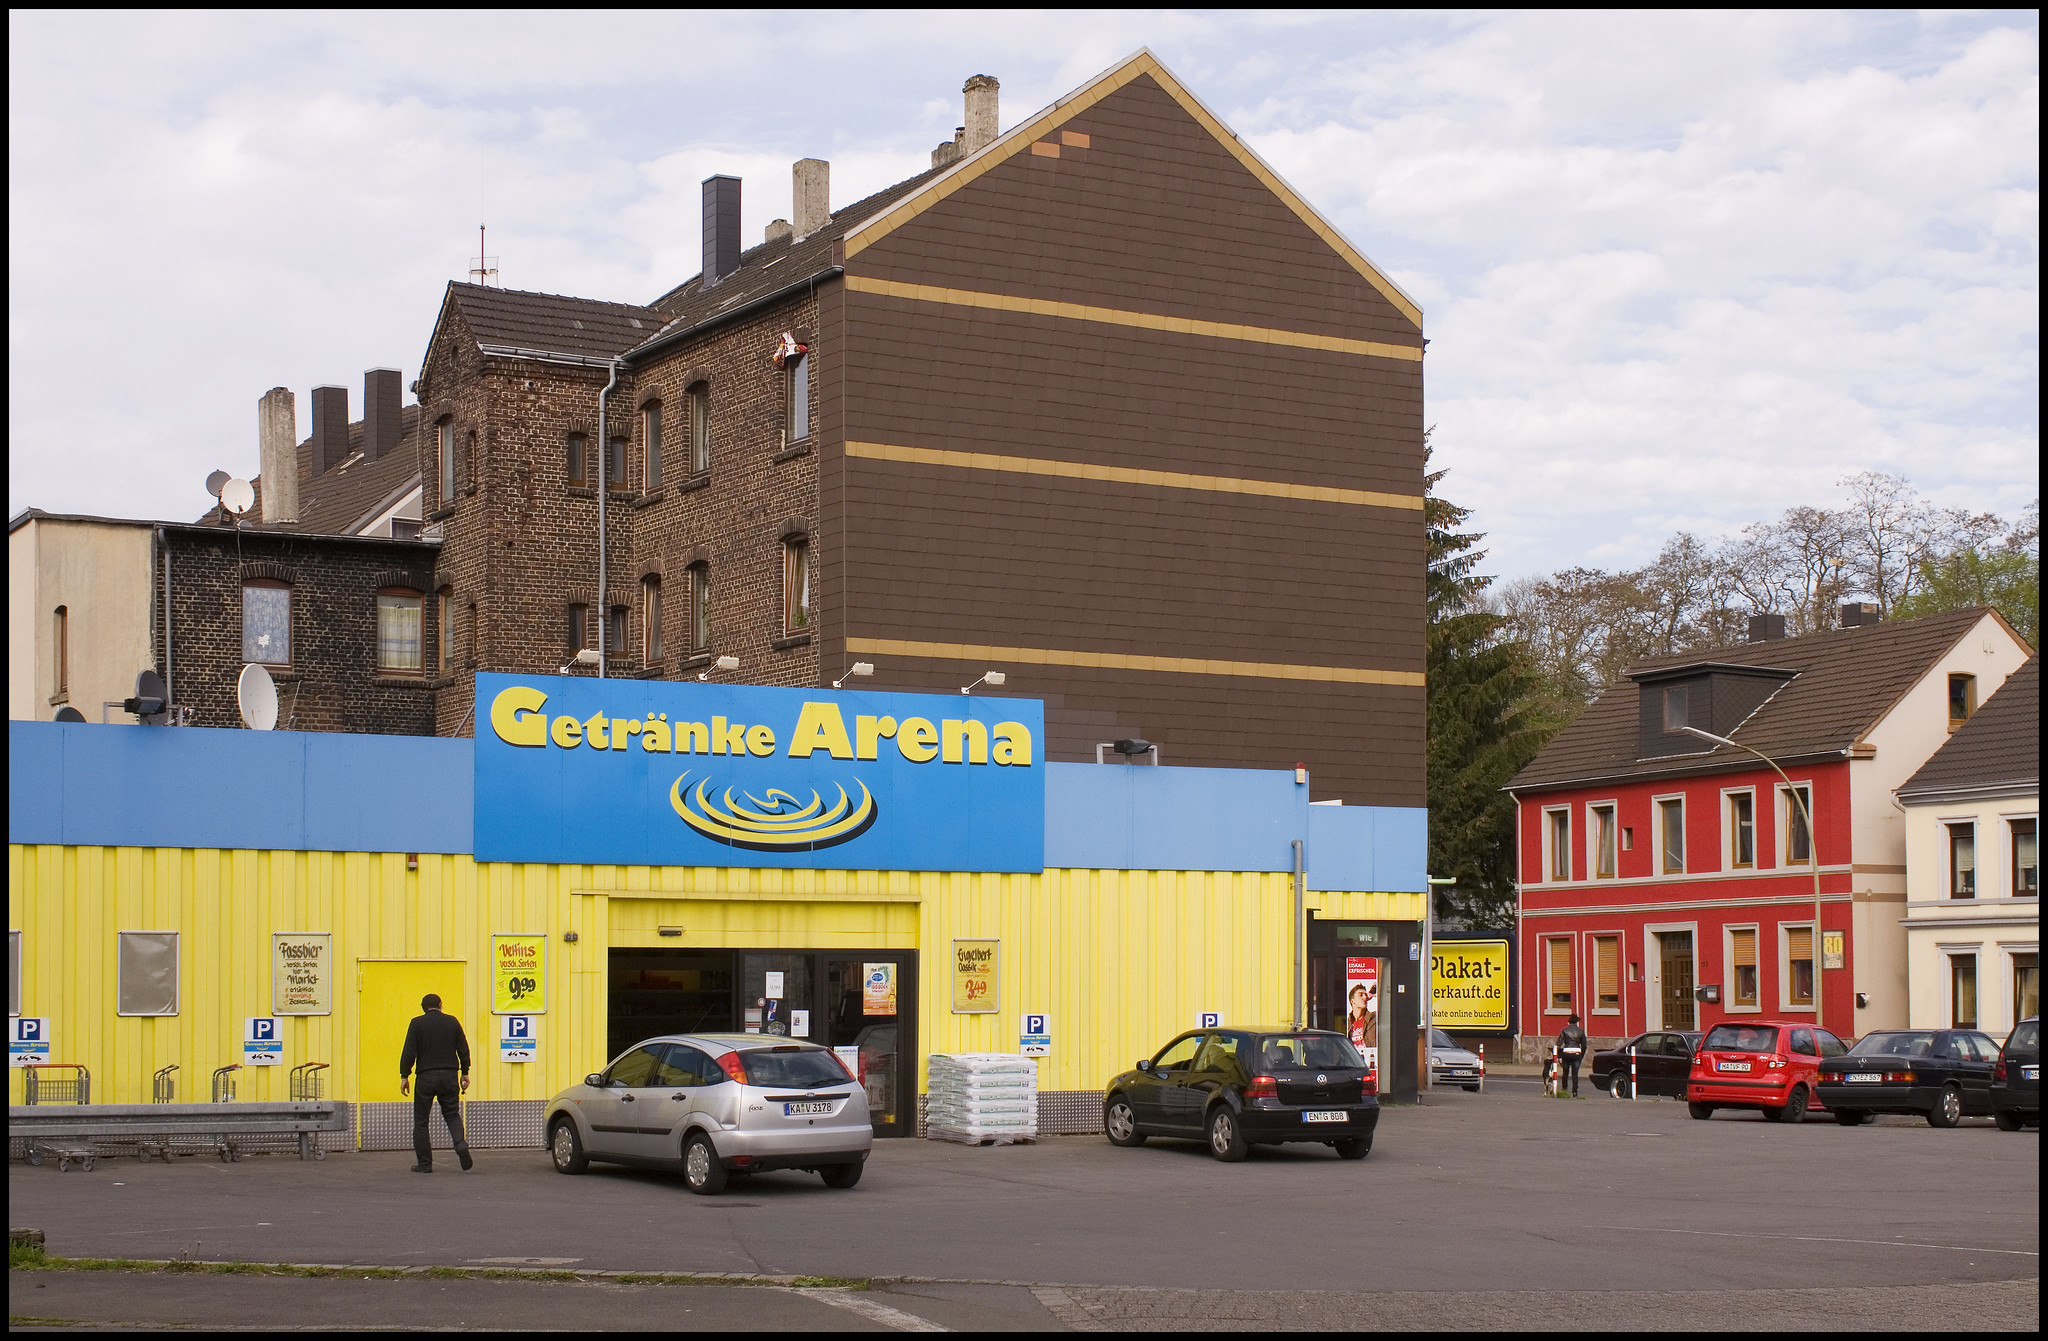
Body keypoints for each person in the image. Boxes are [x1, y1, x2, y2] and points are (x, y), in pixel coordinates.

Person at [399, 993, 472, 1173]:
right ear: (440, 1005)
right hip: (449, 1075)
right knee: (452, 1114)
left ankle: (425, 1164)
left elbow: (409, 1051)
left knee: (421, 1121)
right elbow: (463, 1048)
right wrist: (465, 1073)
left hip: (426, 1077)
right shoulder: (452, 1022)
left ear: (423, 1007)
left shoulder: (416, 1024)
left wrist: (404, 1075)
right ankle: (460, 1144)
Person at [1557, 1013, 1588, 1098]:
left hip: (1566, 1052)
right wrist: (1581, 1055)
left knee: (1565, 1072)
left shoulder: (1564, 1030)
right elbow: (1584, 1045)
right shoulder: (1581, 1031)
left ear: (1569, 1022)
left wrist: (1559, 1055)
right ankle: (1575, 1091)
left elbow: (1559, 1043)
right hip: (1577, 1052)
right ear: (1577, 1022)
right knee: (1575, 1073)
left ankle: (1564, 1089)